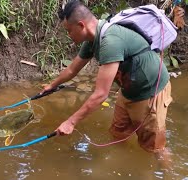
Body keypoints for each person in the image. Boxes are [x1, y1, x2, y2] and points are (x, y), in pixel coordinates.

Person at [41, 0, 173, 157]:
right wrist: (51, 85)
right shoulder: (92, 40)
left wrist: (70, 122)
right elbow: (72, 69)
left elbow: (101, 94)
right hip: (127, 91)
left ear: (81, 25)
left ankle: (166, 171)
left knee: (155, 149)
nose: (68, 36)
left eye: (69, 31)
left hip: (151, 92)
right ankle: (119, 162)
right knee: (118, 134)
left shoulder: (110, 41)